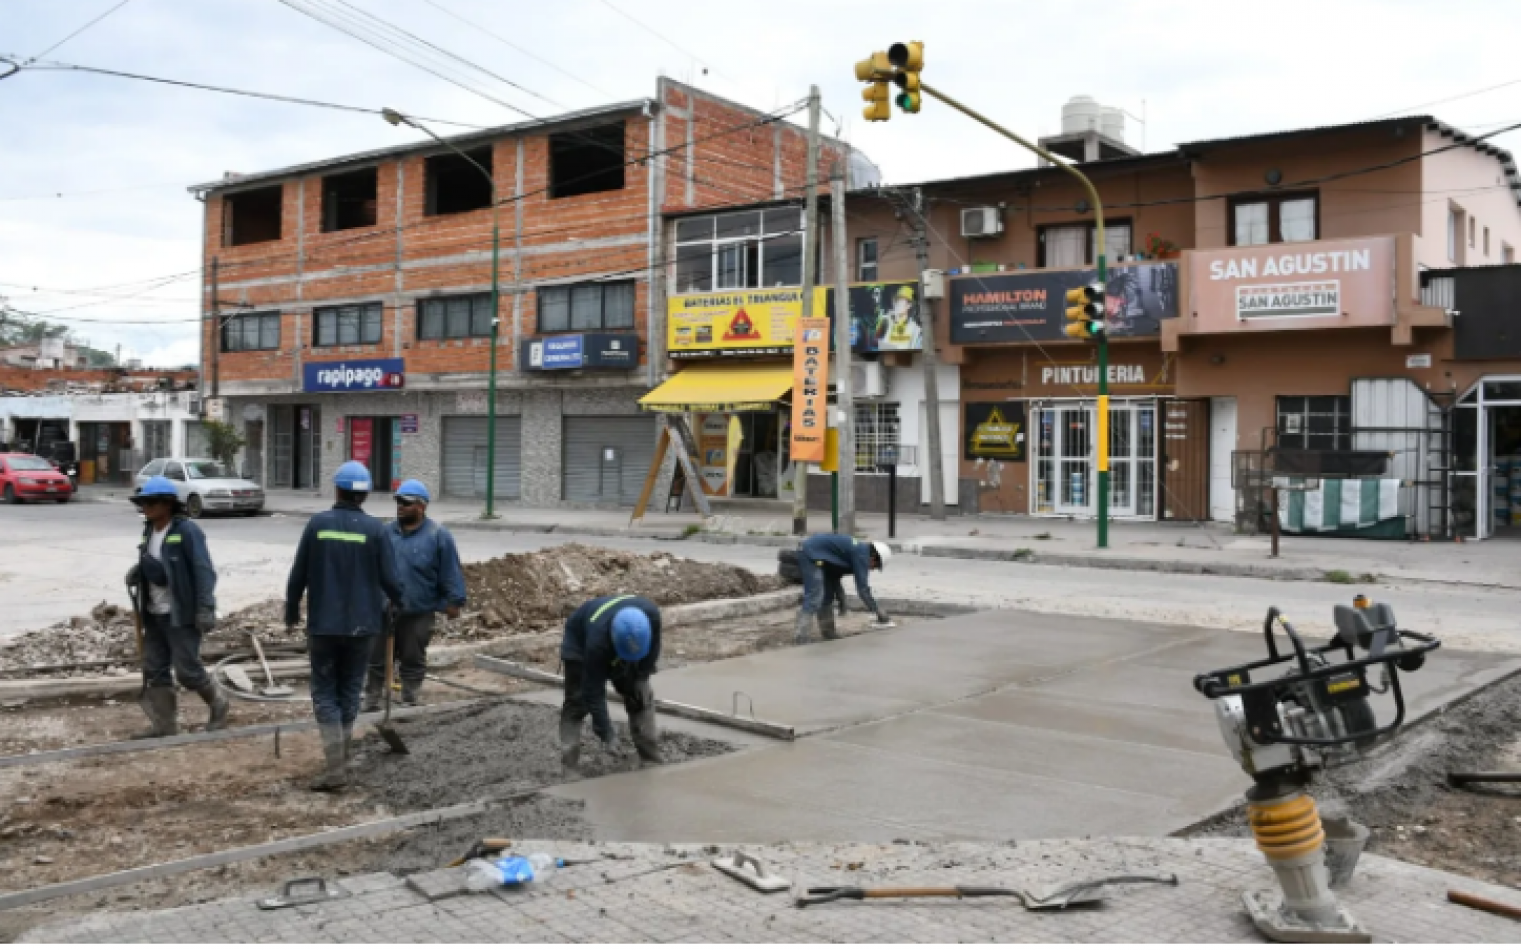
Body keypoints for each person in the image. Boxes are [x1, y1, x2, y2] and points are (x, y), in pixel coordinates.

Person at [285, 460, 402, 792]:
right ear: (365, 495)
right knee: (350, 688)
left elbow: (298, 574)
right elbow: (392, 580)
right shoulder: (377, 530)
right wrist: (398, 605)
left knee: (324, 690)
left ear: (337, 489)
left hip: (324, 624)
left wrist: (292, 610)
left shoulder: (318, 525)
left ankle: (335, 767)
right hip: (363, 626)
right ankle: (342, 759)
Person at [124, 477, 228, 738]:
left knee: (187, 671)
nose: (145, 507)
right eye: (143, 503)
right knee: (155, 668)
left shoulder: (187, 531)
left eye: (151, 503)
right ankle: (165, 724)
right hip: (153, 612)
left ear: (168, 504)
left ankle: (219, 703)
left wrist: (205, 608)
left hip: (181, 613)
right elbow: (156, 562)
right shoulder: (149, 530)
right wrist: (140, 570)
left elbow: (204, 571)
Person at [363, 479, 466, 711]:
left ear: (421, 506)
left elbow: (450, 571)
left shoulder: (438, 536)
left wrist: (454, 600)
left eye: (406, 502)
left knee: (412, 658)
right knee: (375, 657)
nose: (400, 506)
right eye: (398, 501)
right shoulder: (385, 533)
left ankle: (409, 700)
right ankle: (371, 700)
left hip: (418, 610)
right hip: (383, 610)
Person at [559, 594, 662, 775]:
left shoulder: (651, 615)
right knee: (577, 701)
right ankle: (568, 765)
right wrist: (607, 733)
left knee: (639, 696)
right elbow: (593, 691)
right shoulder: (596, 644)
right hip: (580, 640)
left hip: (616, 636)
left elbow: (654, 647)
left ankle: (650, 757)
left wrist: (641, 675)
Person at [794, 534, 891, 644]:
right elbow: (863, 589)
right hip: (811, 554)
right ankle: (801, 637)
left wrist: (841, 597)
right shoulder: (862, 555)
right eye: (875, 566)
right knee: (815, 596)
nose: (872, 569)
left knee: (827, 596)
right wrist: (878, 611)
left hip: (822, 559)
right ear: (874, 558)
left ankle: (828, 632)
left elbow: (835, 575)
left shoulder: (859, 551)